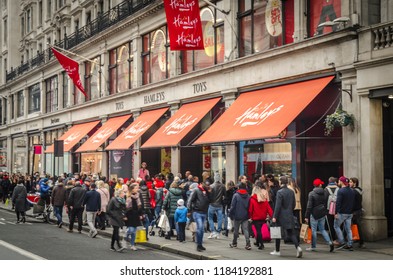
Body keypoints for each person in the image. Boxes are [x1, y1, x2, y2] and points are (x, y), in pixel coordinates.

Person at [270, 176, 303, 258]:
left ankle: (277, 250)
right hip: (289, 214)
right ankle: (298, 247)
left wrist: (274, 216)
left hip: (281, 215)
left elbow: (278, 205)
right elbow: (294, 204)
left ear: (281, 182)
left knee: (277, 233)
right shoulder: (291, 192)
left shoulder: (280, 192)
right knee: (291, 232)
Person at [304, 178, 334, 252]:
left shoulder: (311, 193)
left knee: (314, 230)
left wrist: (306, 216)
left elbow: (309, 206)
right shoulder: (325, 192)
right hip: (322, 213)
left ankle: (313, 246)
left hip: (314, 213)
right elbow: (326, 202)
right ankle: (329, 242)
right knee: (322, 229)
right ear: (319, 185)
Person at [334, 176, 355, 250]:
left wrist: (336, 212)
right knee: (348, 229)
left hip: (342, 213)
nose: (338, 182)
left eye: (339, 181)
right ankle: (350, 243)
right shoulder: (352, 190)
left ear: (342, 182)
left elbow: (338, 203)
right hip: (350, 213)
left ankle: (342, 241)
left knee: (336, 226)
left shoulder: (340, 191)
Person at [187, 181, 210, 252]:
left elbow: (210, 200)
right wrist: (189, 210)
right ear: (201, 184)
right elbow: (190, 200)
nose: (206, 186)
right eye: (205, 185)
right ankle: (198, 244)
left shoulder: (206, 192)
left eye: (207, 185)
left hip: (204, 212)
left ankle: (200, 244)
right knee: (200, 228)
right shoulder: (196, 190)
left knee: (202, 229)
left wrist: (209, 192)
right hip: (197, 212)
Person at [248, 183, 273, 250]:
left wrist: (250, 217)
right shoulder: (264, 199)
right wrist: (272, 216)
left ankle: (261, 244)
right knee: (259, 230)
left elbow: (250, 209)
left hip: (256, 217)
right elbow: (269, 208)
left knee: (258, 231)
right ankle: (258, 242)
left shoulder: (252, 199)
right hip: (263, 217)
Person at [229, 179, 251, 250]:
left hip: (237, 215)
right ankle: (248, 244)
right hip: (245, 215)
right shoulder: (248, 196)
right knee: (245, 230)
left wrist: (230, 214)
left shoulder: (236, 195)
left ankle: (234, 243)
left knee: (236, 230)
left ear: (239, 187)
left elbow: (232, 206)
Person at [125, 183, 143, 251]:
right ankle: (125, 237)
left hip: (136, 215)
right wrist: (125, 216)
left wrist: (141, 214)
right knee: (131, 230)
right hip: (130, 215)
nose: (137, 189)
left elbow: (140, 206)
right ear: (132, 190)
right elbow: (126, 208)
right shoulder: (128, 197)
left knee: (134, 232)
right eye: (136, 188)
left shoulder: (138, 196)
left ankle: (132, 245)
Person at [207, 173, 226, 239]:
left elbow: (209, 196)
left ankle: (213, 231)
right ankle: (218, 232)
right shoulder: (223, 186)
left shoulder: (211, 186)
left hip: (212, 204)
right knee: (220, 219)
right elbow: (225, 195)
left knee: (210, 218)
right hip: (219, 204)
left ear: (214, 178)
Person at [350, 177, 365, 248]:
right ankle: (358, 239)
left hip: (354, 211)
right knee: (356, 225)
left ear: (354, 183)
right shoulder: (359, 190)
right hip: (359, 210)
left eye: (350, 182)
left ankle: (361, 241)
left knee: (357, 226)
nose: (349, 183)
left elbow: (352, 202)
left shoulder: (353, 191)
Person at [325, 176, 339, 241]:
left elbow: (324, 200)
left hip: (329, 209)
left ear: (329, 181)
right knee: (337, 225)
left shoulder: (326, 189)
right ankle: (339, 237)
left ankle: (332, 237)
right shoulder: (338, 189)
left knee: (330, 224)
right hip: (337, 210)